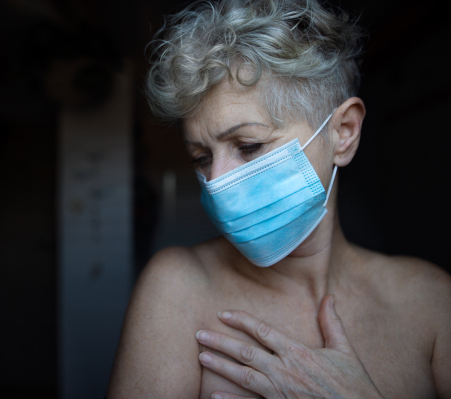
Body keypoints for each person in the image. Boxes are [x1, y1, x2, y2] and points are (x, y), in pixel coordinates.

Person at [107, 0, 451, 397]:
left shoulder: (430, 303)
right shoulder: (177, 288)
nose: (216, 182)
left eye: (249, 146)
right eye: (200, 157)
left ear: (343, 133)